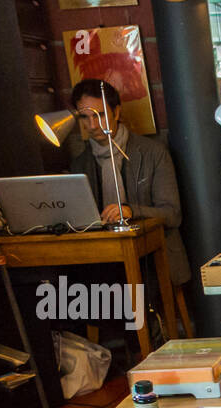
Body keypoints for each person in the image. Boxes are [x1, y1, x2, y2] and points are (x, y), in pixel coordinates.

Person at [69, 78, 190, 285]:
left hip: (153, 258)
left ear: (116, 112)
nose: (92, 125)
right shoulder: (81, 164)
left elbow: (172, 213)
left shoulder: (152, 153)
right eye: (85, 117)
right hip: (105, 261)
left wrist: (130, 210)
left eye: (99, 115)